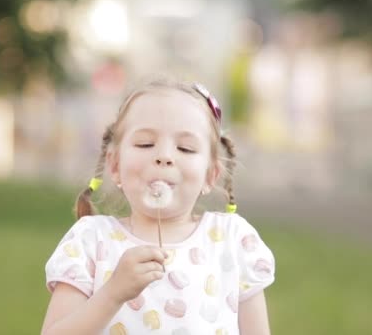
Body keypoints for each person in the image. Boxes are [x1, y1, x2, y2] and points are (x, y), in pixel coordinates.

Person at [41, 78, 275, 335]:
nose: (164, 156)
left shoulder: (233, 241)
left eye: (185, 148)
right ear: (115, 165)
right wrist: (112, 294)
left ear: (210, 175)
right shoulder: (90, 241)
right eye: (145, 144)